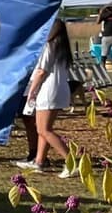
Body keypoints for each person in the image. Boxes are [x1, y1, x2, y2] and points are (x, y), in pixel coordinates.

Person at [16, 18, 72, 173]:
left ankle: (71, 161)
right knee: (44, 128)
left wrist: (32, 91)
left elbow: (42, 71)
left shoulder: (49, 46)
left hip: (48, 90)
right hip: (59, 89)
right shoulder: (62, 47)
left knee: (44, 130)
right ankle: (39, 161)